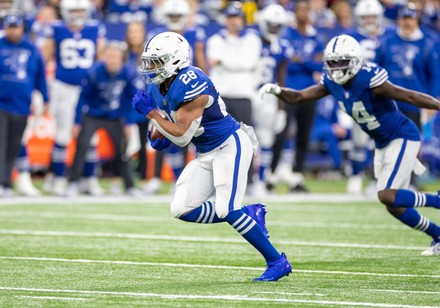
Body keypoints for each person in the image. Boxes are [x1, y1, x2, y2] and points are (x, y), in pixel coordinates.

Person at [260, 34, 440, 256]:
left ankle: (437, 200)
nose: (336, 68)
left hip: (401, 135)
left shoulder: (371, 79)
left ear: (355, 60)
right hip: (382, 142)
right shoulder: (331, 82)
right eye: (332, 63)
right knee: (394, 206)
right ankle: (437, 234)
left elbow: (409, 97)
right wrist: (278, 90)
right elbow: (298, 97)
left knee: (387, 195)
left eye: (341, 62)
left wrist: (438, 104)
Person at [133, 31, 292, 280]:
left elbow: (183, 136)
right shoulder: (159, 84)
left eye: (157, 61)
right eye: (150, 61)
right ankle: (250, 216)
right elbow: (171, 122)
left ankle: (277, 261)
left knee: (227, 209)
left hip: (230, 144)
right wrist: (158, 134)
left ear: (174, 60)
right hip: (206, 151)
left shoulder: (192, 81)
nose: (151, 67)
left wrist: (152, 115)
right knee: (182, 208)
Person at [41, 0, 106, 196]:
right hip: (63, 88)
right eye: (73, 10)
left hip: (87, 89)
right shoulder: (56, 29)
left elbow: (100, 61)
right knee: (62, 134)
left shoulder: (96, 29)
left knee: (91, 135)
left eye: (80, 9)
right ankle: (60, 178)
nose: (77, 13)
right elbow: (43, 58)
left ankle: (89, 178)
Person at [66, 41, 140, 196]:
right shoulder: (94, 72)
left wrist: (129, 122)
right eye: (109, 57)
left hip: (115, 115)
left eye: (115, 57)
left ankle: (130, 185)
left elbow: (132, 99)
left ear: (122, 59)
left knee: (123, 149)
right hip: (94, 114)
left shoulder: (128, 73)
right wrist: (77, 121)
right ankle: (73, 183)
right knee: (82, 145)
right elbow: (82, 98)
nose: (112, 61)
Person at [206, 1, 262, 192]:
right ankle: (216, 182)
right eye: (230, 17)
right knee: (217, 139)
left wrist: (223, 61)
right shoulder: (215, 39)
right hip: (221, 95)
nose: (233, 22)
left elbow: (249, 62)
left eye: (237, 18)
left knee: (246, 139)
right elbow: (213, 61)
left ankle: (250, 181)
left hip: (244, 94)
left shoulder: (253, 39)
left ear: (243, 20)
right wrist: (228, 62)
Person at [270, 0, 324, 193]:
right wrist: (308, 62)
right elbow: (287, 64)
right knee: (281, 133)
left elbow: (321, 65)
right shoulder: (287, 34)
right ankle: (272, 174)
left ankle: (297, 175)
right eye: (300, 9)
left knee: (304, 135)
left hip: (309, 92)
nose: (303, 13)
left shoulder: (315, 36)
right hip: (289, 92)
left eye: (305, 9)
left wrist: (302, 61)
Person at [0, 10, 49, 197]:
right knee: (1, 143)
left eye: (16, 27)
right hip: (1, 103)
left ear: (23, 27)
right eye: (9, 27)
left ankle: (5, 183)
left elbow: (39, 76)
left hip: (21, 104)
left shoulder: (31, 48)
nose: (13, 31)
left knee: (14, 145)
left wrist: (45, 98)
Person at [252, 3, 291, 196]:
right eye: (271, 24)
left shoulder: (282, 46)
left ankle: (260, 180)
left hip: (267, 95)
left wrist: (281, 108)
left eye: (277, 25)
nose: (273, 28)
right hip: (246, 92)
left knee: (265, 139)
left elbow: (280, 79)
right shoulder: (250, 39)